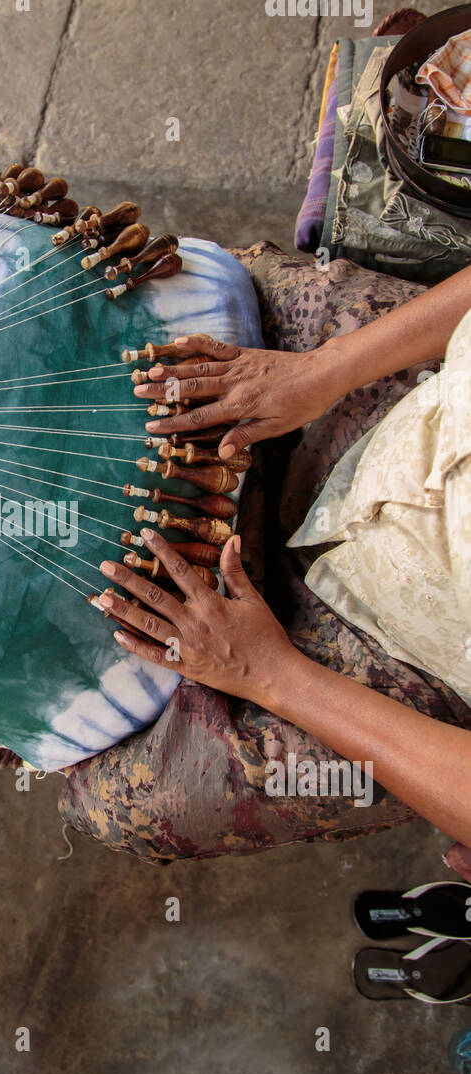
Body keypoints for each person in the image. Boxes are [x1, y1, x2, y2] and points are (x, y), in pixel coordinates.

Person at [92, 260, 471, 852]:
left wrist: (270, 675)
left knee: (138, 803)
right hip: (409, 395)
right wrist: (326, 368)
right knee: (204, 300)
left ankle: (60, 734)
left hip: (406, 655)